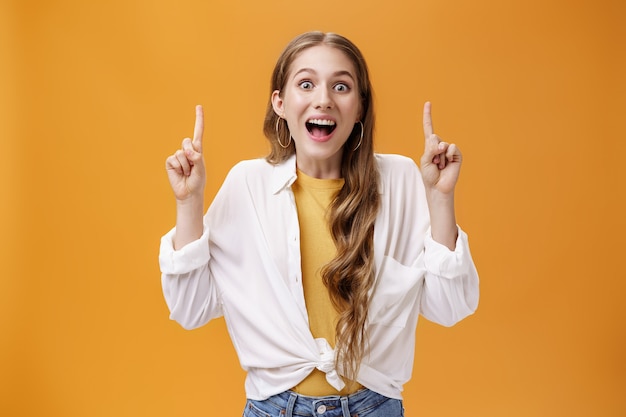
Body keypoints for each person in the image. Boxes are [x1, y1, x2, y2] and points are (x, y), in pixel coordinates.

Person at [160, 31, 479, 417]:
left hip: (374, 407)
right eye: (306, 83)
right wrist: (189, 202)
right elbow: (190, 309)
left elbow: (450, 306)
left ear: (360, 106)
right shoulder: (247, 185)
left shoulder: (401, 179)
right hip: (274, 408)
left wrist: (441, 198)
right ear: (280, 102)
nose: (323, 99)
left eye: (341, 86)